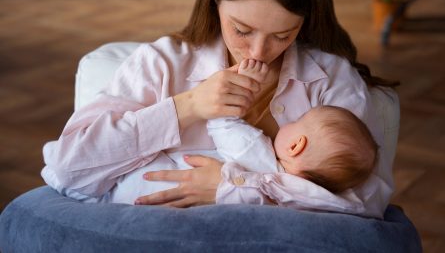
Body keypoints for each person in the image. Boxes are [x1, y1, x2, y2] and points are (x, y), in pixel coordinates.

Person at [41, 0, 398, 218]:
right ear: (215, 1)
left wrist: (231, 190)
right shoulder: (162, 64)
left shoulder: (331, 79)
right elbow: (67, 169)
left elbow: (365, 203)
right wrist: (188, 107)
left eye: (282, 35)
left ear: (304, 23)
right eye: (242, 30)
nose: (259, 52)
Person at [104, 59, 378, 206]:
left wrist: (244, 89)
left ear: (296, 146)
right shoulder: (314, 200)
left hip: (148, 188)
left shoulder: (257, 151)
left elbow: (222, 125)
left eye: (298, 120)